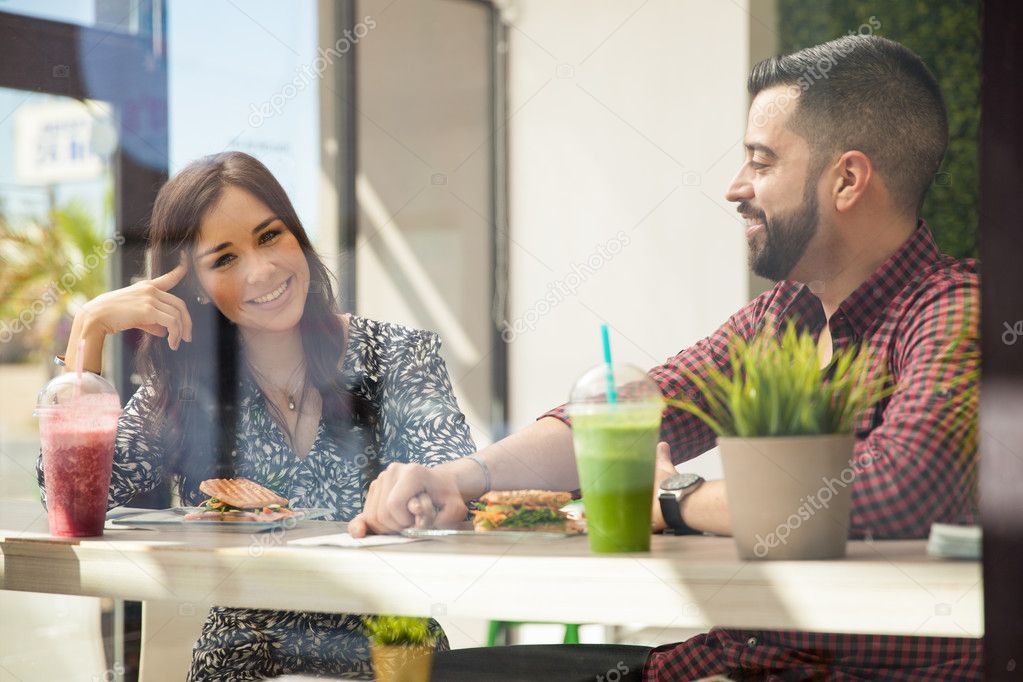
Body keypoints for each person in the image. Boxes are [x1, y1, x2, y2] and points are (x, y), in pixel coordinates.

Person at [350, 35, 982, 680]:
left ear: (846, 179)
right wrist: (460, 479)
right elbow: (621, 415)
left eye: (761, 163)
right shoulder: (779, 317)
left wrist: (676, 497)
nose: (737, 187)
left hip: (857, 671)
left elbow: (900, 487)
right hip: (720, 660)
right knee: (434, 674)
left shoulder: (956, 308)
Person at [36, 151, 475, 680]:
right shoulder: (183, 389)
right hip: (245, 658)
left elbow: (462, 496)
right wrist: (89, 330)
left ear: (297, 238)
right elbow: (72, 500)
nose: (262, 270)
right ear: (193, 283)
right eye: (224, 259)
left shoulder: (400, 357)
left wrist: (423, 505)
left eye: (269, 236)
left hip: (395, 649)